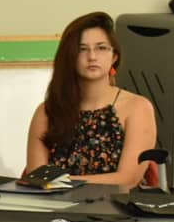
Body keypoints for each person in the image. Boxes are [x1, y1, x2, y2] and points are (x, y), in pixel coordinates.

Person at [25, 11, 155, 186]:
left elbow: (127, 179)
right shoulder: (47, 111)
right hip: (54, 202)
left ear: (114, 56)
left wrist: (62, 182)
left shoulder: (137, 107)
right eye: (82, 49)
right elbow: (37, 178)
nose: (92, 56)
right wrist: (58, 184)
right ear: (69, 57)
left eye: (101, 48)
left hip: (118, 203)